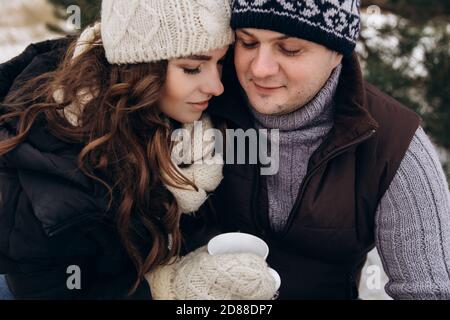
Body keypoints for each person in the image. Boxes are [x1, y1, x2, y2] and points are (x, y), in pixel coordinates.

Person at [0, 0, 277, 300]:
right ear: (139, 70)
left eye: (220, 62)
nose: (216, 86)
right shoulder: (57, 174)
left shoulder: (180, 121)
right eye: (193, 67)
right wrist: (174, 288)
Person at [203, 0, 450, 299]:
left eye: (290, 48)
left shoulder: (392, 143)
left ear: (337, 52)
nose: (260, 68)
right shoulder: (201, 102)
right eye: (248, 42)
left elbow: (430, 291)